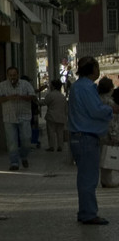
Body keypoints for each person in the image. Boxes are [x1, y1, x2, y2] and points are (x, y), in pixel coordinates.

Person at [69, 58, 114, 225]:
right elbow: (95, 110)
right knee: (89, 177)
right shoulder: (86, 88)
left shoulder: (77, 86)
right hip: (86, 137)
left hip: (79, 136)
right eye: (97, 67)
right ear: (92, 69)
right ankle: (89, 213)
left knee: (84, 177)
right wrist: (110, 109)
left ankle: (85, 210)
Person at [0, 66, 37, 171]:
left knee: (26, 139)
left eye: (14, 75)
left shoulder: (25, 85)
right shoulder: (2, 86)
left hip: (24, 116)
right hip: (9, 117)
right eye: (10, 75)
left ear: (18, 75)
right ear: (8, 76)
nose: (13, 77)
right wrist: (8, 98)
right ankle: (14, 162)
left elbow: (33, 96)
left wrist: (22, 97)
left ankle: (24, 156)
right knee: (12, 142)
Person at [41, 78, 68, 156]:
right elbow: (66, 108)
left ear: (53, 86)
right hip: (61, 117)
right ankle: (60, 146)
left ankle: (52, 146)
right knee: (60, 132)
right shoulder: (62, 96)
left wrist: (36, 101)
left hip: (51, 117)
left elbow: (44, 103)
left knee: (51, 132)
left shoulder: (51, 95)